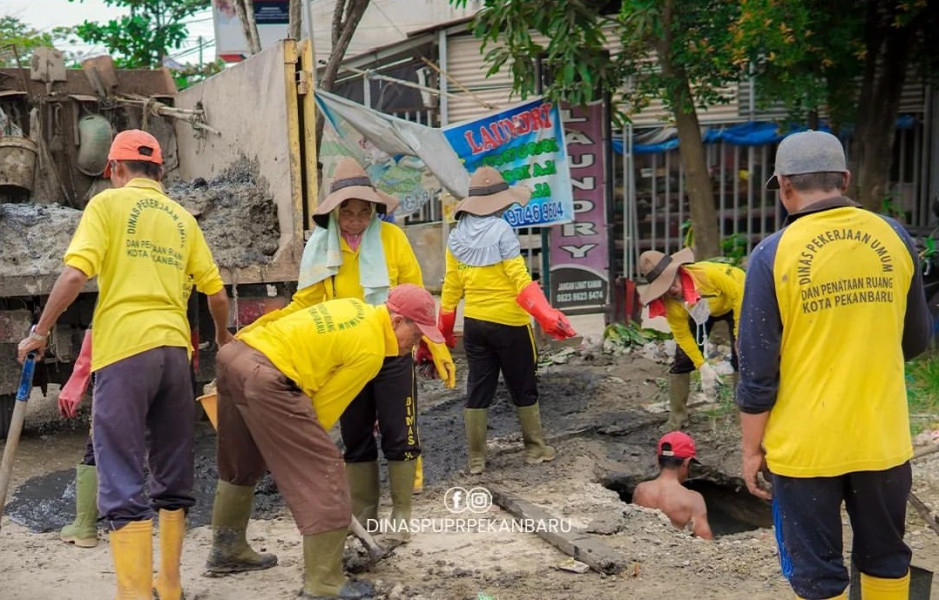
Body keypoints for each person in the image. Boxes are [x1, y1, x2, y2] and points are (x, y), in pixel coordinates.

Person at [17, 129, 232, 600]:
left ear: (115, 169)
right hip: (175, 355)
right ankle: (170, 587)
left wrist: (40, 331)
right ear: (159, 171)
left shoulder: (107, 206)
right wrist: (222, 338)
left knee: (119, 467)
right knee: (172, 469)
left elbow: (76, 273)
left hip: (124, 353)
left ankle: (135, 593)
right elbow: (215, 294)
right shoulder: (182, 218)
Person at [736, 130, 932, 600]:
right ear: (844, 179)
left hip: (806, 453)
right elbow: (917, 339)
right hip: (882, 442)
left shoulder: (771, 255)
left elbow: (757, 372)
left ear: (784, 187)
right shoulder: (894, 236)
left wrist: (750, 452)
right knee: (885, 558)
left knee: (819, 576)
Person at [232, 157, 454, 543]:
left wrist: (433, 349)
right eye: (347, 213)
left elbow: (417, 298)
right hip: (347, 352)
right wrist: (261, 327)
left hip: (392, 349)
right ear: (334, 213)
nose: (354, 220)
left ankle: (401, 516)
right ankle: (367, 516)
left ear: (374, 210)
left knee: (400, 431)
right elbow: (306, 303)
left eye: (362, 212)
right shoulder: (320, 247)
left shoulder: (392, 240)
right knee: (356, 435)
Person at [205, 284, 444, 599]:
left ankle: (228, 548)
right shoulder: (371, 350)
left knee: (241, 459)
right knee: (323, 470)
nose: (416, 344)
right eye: (416, 335)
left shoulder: (353, 307)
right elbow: (320, 413)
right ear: (397, 321)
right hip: (267, 375)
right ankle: (325, 581)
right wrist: (310, 459)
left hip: (236, 356)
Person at [438, 166, 576, 475]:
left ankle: (476, 459)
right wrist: (547, 315)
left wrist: (444, 331)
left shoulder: (456, 236)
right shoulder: (501, 230)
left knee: (478, 387)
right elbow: (520, 280)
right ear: (499, 202)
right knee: (522, 385)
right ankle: (536, 449)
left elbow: (451, 288)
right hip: (510, 325)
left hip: (474, 325)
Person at [638, 247, 745, 429]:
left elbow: (738, 295)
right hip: (702, 311)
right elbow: (682, 336)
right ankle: (677, 419)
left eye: (672, 283)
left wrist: (738, 337)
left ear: (679, 272)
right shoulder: (672, 305)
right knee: (682, 360)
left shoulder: (707, 274)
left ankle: (742, 417)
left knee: (741, 356)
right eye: (664, 289)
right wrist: (702, 366)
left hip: (736, 297)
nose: (671, 290)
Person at [57, 328, 98, 548]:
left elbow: (98, 322)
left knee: (103, 440)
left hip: (122, 362)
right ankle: (175, 522)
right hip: (170, 356)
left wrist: (79, 377)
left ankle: (85, 527)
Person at [633, 431, 713, 539]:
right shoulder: (694, 499)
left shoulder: (640, 490)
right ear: (686, 462)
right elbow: (705, 540)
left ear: (658, 460)